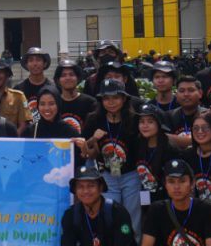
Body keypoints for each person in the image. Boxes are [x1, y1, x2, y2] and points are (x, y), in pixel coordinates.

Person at [82, 80, 142, 228]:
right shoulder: (93, 119)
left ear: (124, 99)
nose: (111, 102)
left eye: (115, 98)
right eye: (106, 98)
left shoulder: (135, 119)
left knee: (133, 220)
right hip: (107, 175)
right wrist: (93, 139)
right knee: (110, 218)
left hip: (131, 176)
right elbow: (85, 152)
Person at [133, 103, 174, 211]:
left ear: (159, 124)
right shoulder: (137, 145)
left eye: (150, 122)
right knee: (146, 216)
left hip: (165, 198)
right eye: (141, 122)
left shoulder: (169, 149)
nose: (145, 125)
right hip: (145, 193)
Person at [0, 58, 32, 133]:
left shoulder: (19, 97)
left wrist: (11, 141)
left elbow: (23, 125)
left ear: (7, 75)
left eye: (0, 72)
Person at [53, 61, 97, 133]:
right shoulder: (54, 103)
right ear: (58, 80)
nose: (68, 78)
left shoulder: (90, 103)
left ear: (78, 78)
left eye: (71, 74)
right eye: (63, 75)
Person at [164, 76, 205, 148]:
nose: (186, 94)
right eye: (182, 91)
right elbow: (163, 139)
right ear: (176, 95)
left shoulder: (208, 115)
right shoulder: (168, 116)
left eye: (191, 90)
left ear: (200, 93)